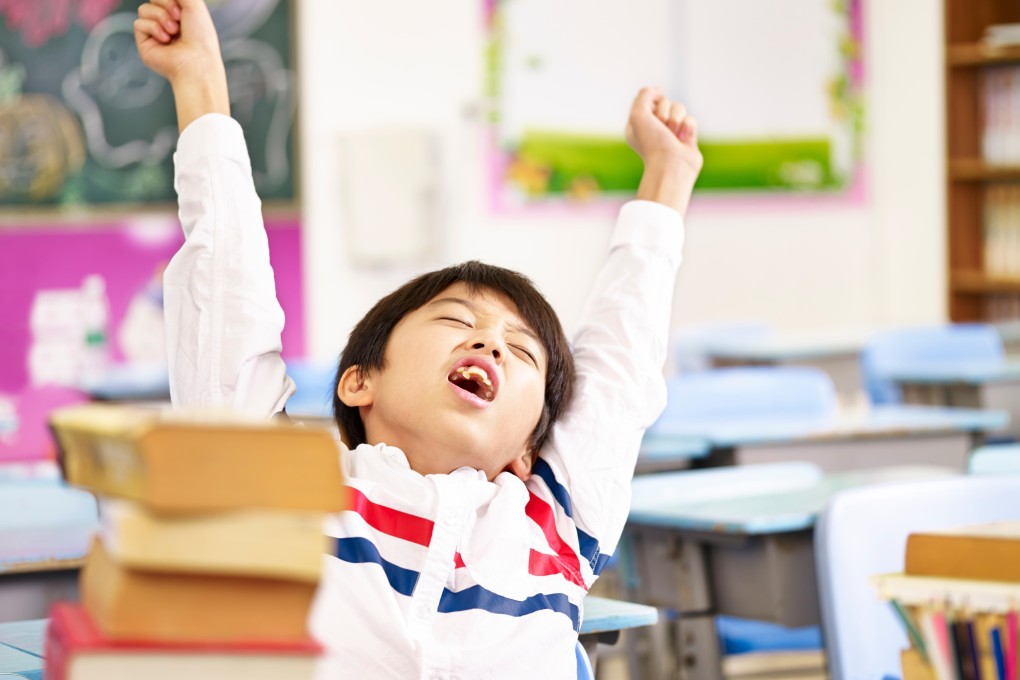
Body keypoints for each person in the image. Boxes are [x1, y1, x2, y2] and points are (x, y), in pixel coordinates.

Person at [134, 0, 703, 676]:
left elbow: (618, 363)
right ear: (359, 381)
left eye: (521, 351)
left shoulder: (556, 525)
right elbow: (226, 292)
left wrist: (666, 181)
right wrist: (201, 84)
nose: (492, 345)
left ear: (530, 447)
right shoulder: (288, 491)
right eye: (458, 322)